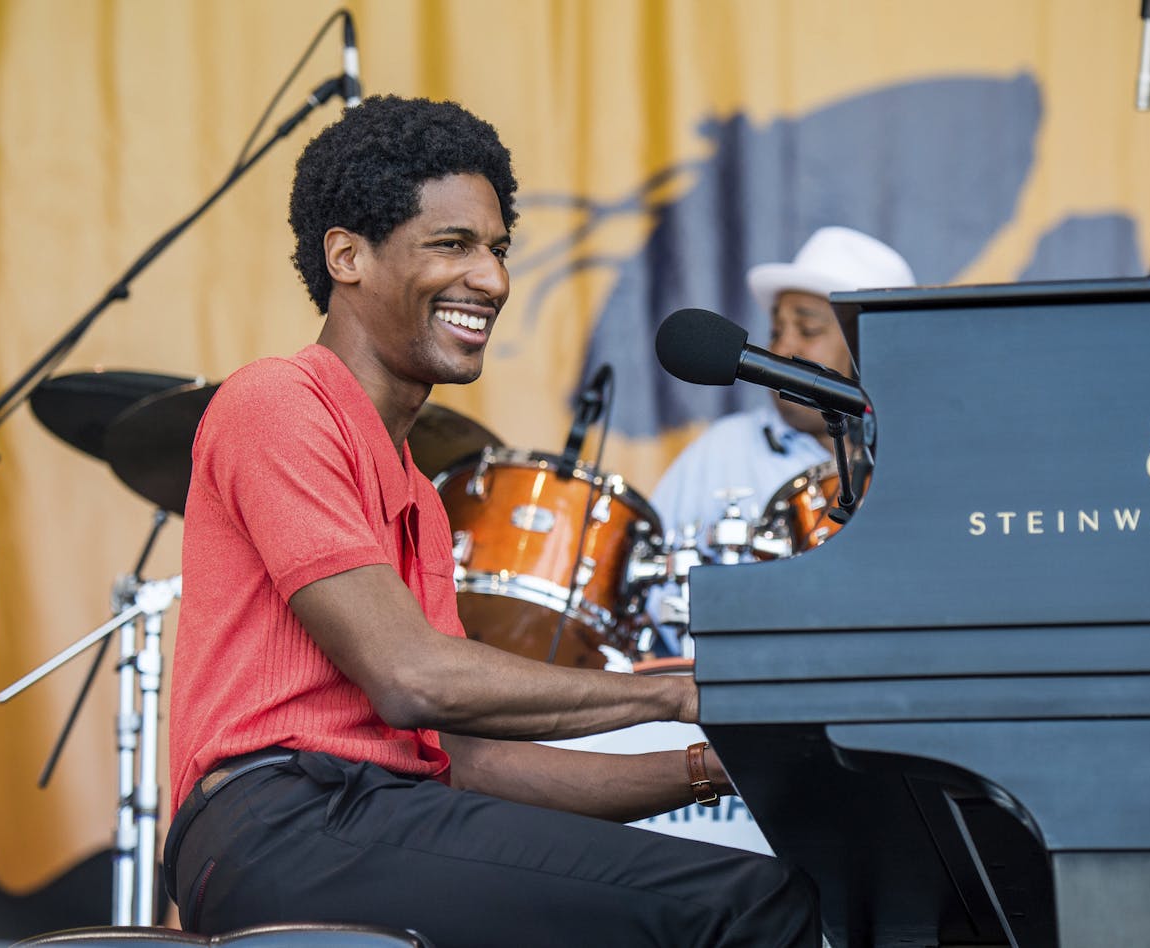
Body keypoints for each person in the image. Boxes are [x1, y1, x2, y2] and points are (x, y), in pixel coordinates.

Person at [162, 95, 820, 948]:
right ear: (347, 255)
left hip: (375, 815)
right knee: (749, 907)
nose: (493, 279)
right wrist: (680, 691)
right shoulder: (278, 401)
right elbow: (413, 678)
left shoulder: (421, 497)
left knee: (768, 893)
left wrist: (712, 766)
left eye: (500, 250)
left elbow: (473, 763)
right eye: (454, 244)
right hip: (278, 823)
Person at [646, 227, 916, 654]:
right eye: (775, 330)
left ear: (876, 349)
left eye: (807, 330)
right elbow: (641, 586)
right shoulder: (723, 450)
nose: (782, 346)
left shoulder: (927, 465)